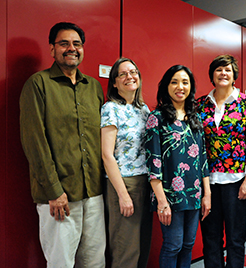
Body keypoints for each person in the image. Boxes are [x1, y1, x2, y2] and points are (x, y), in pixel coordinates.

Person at [19, 22, 105, 267]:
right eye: (64, 43)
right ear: (52, 49)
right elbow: (34, 143)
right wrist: (54, 192)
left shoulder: (94, 87)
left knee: (94, 261)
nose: (71, 48)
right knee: (61, 262)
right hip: (58, 195)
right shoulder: (38, 84)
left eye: (77, 43)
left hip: (93, 192)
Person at [197, 54, 246, 268]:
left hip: (236, 180)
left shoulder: (245, 103)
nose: (223, 73)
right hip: (208, 182)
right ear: (212, 75)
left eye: (227, 69)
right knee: (211, 238)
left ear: (234, 75)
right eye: (218, 69)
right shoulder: (201, 104)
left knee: (236, 238)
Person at [145, 65, 211, 268]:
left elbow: (202, 159)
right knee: (173, 245)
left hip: (194, 194)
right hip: (169, 195)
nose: (180, 87)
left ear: (191, 87)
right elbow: (153, 163)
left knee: (188, 244)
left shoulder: (195, 118)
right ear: (166, 86)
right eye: (174, 82)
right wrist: (162, 202)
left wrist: (207, 194)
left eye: (185, 82)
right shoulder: (157, 118)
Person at [101, 57, 152, 268]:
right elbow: (106, 155)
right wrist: (123, 195)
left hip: (144, 182)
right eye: (123, 74)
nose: (129, 77)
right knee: (125, 250)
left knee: (142, 245)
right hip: (123, 184)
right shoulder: (110, 108)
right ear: (114, 82)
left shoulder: (144, 109)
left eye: (133, 72)